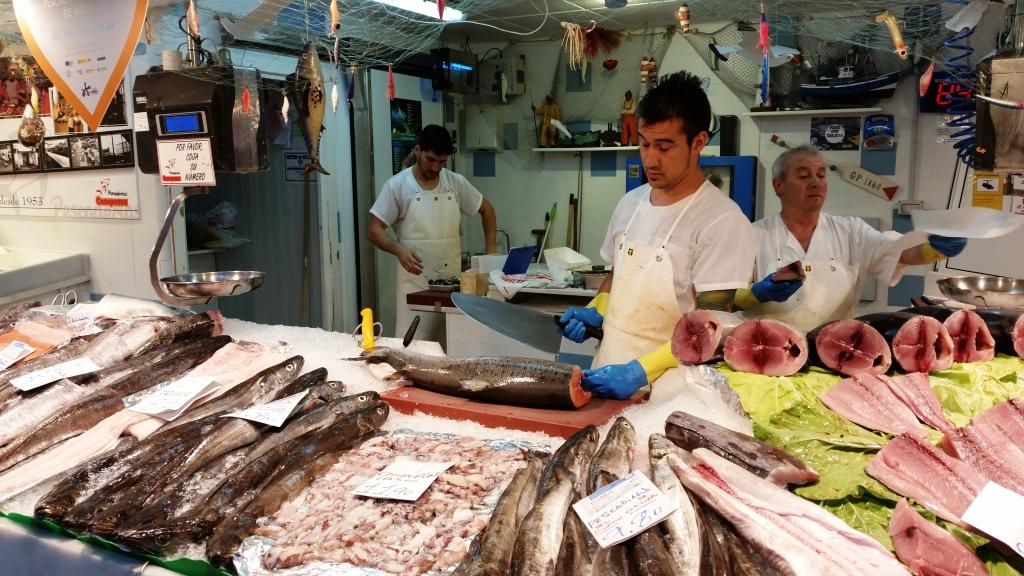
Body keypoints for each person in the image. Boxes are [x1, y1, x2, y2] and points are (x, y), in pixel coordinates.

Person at [559, 71, 756, 400]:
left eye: (664, 147)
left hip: (673, 391)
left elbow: (710, 326)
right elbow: (617, 275)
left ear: (698, 142)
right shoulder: (629, 204)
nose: (650, 158)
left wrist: (639, 371)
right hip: (605, 374)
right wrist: (597, 309)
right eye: (645, 144)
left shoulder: (722, 221)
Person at [736, 144, 968, 332]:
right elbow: (724, 297)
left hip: (836, 349)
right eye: (804, 176)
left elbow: (900, 251)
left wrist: (934, 248)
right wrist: (755, 294)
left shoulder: (851, 231)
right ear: (779, 187)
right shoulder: (752, 234)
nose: (816, 183)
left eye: (821, 175)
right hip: (766, 352)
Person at [368, 124, 498, 340]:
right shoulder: (398, 186)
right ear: (417, 150)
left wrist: (491, 254)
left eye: (442, 162)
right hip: (415, 288)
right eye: (431, 159)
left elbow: (487, 210)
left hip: (453, 289)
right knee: (414, 350)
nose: (436, 167)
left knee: (453, 349)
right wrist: (398, 250)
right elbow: (373, 229)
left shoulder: (455, 183)